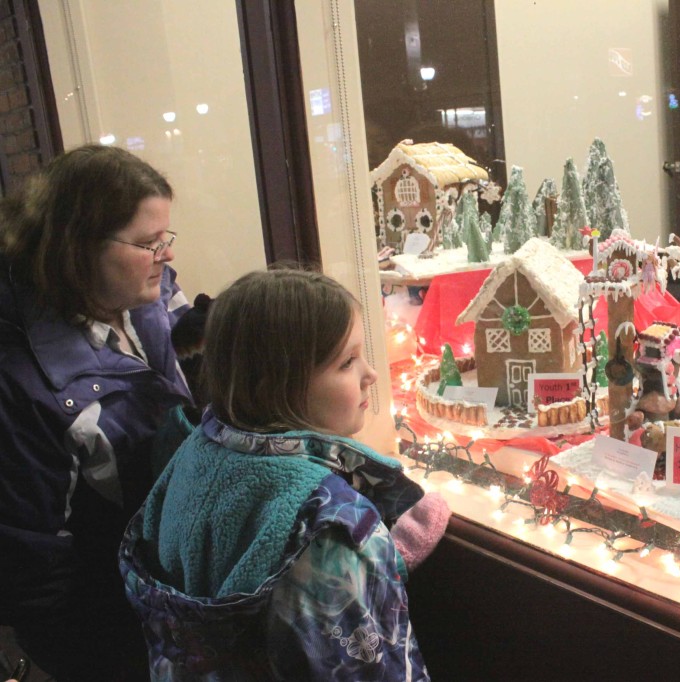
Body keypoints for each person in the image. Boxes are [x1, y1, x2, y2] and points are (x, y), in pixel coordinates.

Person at [120, 268, 450, 680]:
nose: (371, 374)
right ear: (275, 385)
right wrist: (364, 544)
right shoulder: (326, 532)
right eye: (347, 362)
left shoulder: (197, 449)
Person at [0, 145, 192, 680]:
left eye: (165, 238)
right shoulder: (21, 385)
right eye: (149, 243)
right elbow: (34, 567)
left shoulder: (141, 290)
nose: (167, 256)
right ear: (76, 248)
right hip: (113, 623)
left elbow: (185, 351)